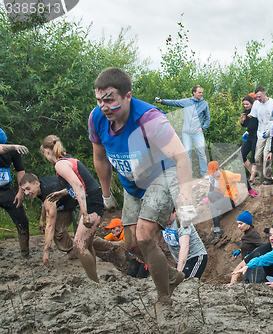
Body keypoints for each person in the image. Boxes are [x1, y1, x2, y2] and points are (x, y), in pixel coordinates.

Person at [90, 68, 193, 317]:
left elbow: (182, 157)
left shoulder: (149, 119)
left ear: (127, 96)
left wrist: (186, 200)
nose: (104, 106)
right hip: (132, 183)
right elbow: (100, 158)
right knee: (133, 245)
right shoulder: (97, 118)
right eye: (99, 100)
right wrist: (106, 195)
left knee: (146, 237)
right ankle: (173, 276)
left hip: (162, 176)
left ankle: (163, 300)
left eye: (110, 99)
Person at [41, 135, 104, 282]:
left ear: (46, 151)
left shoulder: (60, 165)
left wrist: (84, 213)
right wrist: (62, 192)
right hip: (93, 198)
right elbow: (79, 182)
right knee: (86, 244)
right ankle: (95, 278)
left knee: (79, 246)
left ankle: (94, 280)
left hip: (91, 202)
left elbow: (79, 186)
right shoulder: (67, 160)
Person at [20, 173, 78, 264]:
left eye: (28, 188)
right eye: (24, 190)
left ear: (36, 183)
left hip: (78, 200)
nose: (26, 193)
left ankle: (75, 250)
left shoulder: (48, 194)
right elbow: (44, 203)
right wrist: (41, 220)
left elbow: (50, 225)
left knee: (57, 231)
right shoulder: (42, 186)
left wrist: (46, 253)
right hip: (66, 202)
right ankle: (73, 249)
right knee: (58, 230)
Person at [156, 86, 210, 178]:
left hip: (198, 132)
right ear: (194, 93)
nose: (201, 94)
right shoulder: (186, 102)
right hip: (186, 133)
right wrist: (162, 101)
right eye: (199, 92)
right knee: (187, 153)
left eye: (202, 92)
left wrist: (203, 128)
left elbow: (208, 117)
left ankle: (205, 173)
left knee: (201, 152)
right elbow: (174, 102)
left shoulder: (204, 104)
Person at [0, 129, 30, 257]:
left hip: (5, 189)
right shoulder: (11, 147)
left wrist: (20, 191)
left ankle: (25, 252)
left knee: (22, 219)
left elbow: (20, 170)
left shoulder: (12, 149)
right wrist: (14, 147)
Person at [162, 208, 208, 279]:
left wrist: (178, 272)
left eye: (168, 216)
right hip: (180, 259)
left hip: (195, 256)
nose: (166, 218)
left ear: (175, 211)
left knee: (186, 283)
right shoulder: (162, 221)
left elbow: (184, 247)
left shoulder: (182, 222)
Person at [249, 86, 273, 185]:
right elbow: (254, 119)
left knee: (267, 155)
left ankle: (268, 177)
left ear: (264, 94)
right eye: (256, 97)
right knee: (257, 156)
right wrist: (248, 131)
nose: (258, 98)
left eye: (260, 96)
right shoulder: (256, 105)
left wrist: (270, 129)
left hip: (271, 132)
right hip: (260, 133)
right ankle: (261, 177)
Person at [206, 161, 242, 243]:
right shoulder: (215, 177)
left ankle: (217, 231)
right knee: (211, 195)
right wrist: (209, 195)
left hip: (232, 199)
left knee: (213, 206)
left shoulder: (228, 175)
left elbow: (242, 176)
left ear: (217, 169)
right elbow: (211, 185)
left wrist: (250, 190)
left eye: (212, 173)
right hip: (224, 197)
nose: (212, 175)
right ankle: (225, 210)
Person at [239, 94, 259, 182]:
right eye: (244, 104)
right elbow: (246, 125)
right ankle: (252, 173)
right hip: (249, 136)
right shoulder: (246, 112)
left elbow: (253, 125)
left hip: (256, 136)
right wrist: (242, 121)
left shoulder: (256, 111)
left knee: (254, 157)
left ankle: (252, 178)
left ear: (252, 103)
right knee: (242, 154)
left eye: (247, 104)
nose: (245, 106)